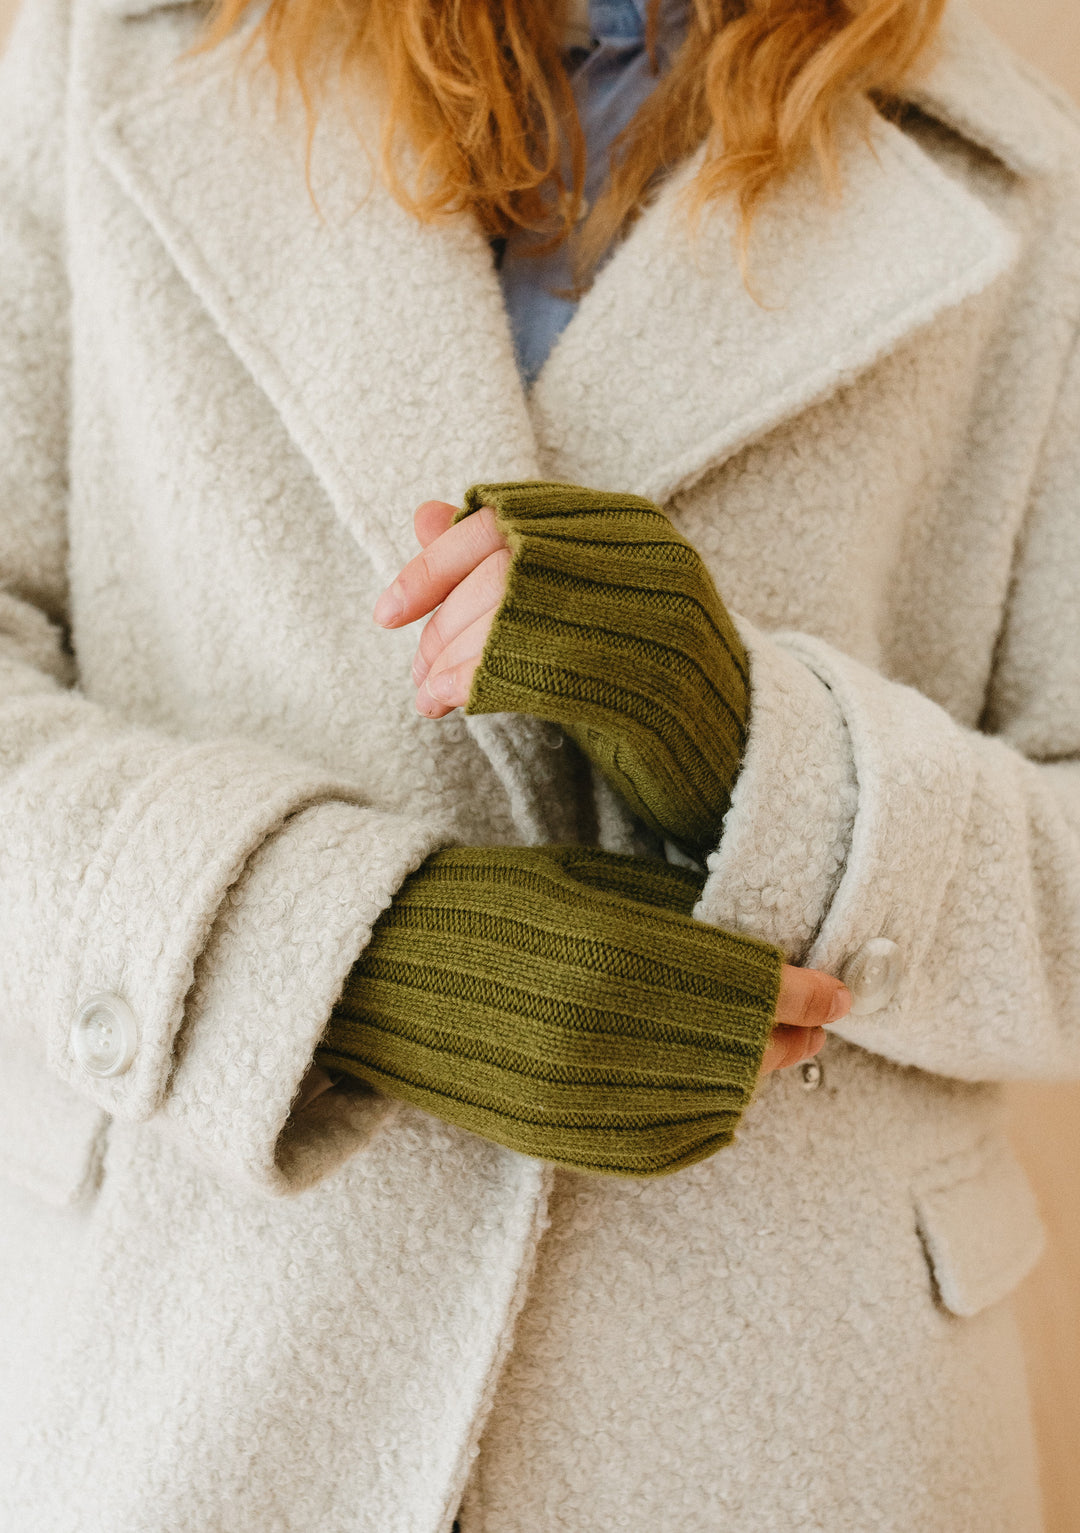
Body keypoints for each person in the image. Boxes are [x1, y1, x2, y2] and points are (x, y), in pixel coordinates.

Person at [0, 0, 1076, 1525]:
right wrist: (338, 949)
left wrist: (753, 741)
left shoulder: (1027, 173)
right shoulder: (107, 49)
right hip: (197, 1378)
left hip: (798, 1433)